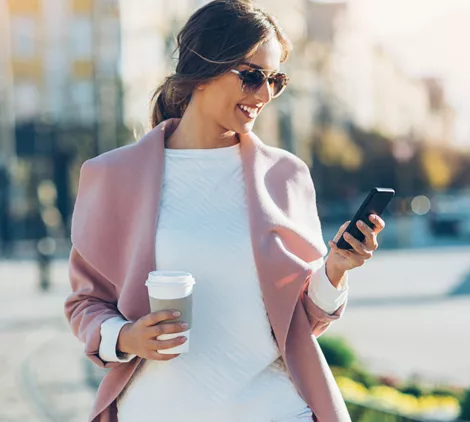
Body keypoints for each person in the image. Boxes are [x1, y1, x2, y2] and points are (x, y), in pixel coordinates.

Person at [63, 2, 385, 421]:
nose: (265, 94)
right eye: (252, 76)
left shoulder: (286, 176)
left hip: (275, 410)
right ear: (201, 69)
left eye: (275, 80)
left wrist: (335, 269)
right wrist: (125, 336)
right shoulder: (112, 175)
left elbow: (301, 321)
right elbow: (86, 302)